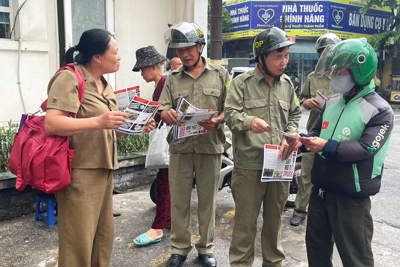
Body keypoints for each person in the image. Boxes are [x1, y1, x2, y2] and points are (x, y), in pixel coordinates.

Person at [302, 38, 394, 267]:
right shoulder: (332, 103)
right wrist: (299, 143)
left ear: (359, 71)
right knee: (317, 253)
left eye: (340, 70)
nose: (334, 75)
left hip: (351, 199)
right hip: (321, 192)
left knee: (356, 259)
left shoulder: (380, 110)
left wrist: (325, 146)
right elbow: (314, 133)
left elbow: (367, 148)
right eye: (333, 69)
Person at [44, 29, 128, 267]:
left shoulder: (104, 83)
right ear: (97, 57)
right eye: (115, 52)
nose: (119, 57)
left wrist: (130, 127)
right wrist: (99, 122)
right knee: (78, 244)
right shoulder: (69, 77)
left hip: (104, 169)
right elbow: (52, 123)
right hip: (79, 173)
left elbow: (105, 129)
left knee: (103, 239)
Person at [224, 27, 302, 267]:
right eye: (278, 56)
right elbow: (230, 114)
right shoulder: (241, 83)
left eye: (286, 56)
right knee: (245, 225)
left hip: (279, 164)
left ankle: (273, 262)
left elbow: (296, 113)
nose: (284, 62)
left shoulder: (287, 85)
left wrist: (290, 134)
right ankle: (240, 263)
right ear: (261, 57)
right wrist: (249, 122)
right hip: (249, 167)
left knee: (274, 222)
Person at [159, 21, 228, 267]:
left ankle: (206, 248)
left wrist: (219, 119)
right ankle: (179, 248)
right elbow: (162, 106)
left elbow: (230, 108)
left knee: (208, 200)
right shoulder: (172, 79)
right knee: (179, 200)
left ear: (200, 46)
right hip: (180, 148)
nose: (184, 54)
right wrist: (165, 113)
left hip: (210, 146)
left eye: (189, 48)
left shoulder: (220, 74)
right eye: (179, 50)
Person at [290, 33, 341, 227]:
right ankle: (300, 210)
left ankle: (332, 213)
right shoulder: (313, 77)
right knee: (307, 175)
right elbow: (300, 100)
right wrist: (307, 102)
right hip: (314, 131)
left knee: (334, 175)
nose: (325, 56)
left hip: (337, 133)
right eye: (322, 53)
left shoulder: (344, 77)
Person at [131, 45, 171, 246]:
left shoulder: (164, 82)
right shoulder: (162, 83)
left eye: (143, 69)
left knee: (165, 182)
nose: (141, 74)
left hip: (169, 141)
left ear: (154, 66)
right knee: (167, 182)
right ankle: (167, 220)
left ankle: (159, 227)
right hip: (168, 139)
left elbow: (163, 111)